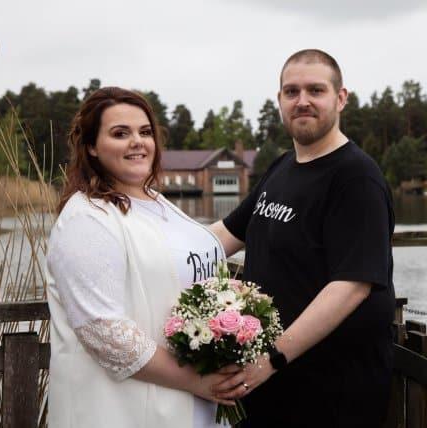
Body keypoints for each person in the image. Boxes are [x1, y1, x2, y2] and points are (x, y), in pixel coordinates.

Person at [210, 49, 396, 427]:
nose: (302, 101)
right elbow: (221, 236)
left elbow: (350, 287)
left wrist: (272, 358)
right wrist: (146, 241)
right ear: (279, 100)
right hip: (271, 389)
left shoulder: (356, 178)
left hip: (330, 396)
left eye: (316, 90)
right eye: (291, 91)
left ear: (340, 98)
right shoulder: (283, 166)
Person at [46, 87, 238, 427]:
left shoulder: (156, 202)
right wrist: (198, 381)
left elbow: (188, 259)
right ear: (91, 146)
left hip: (192, 404)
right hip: (128, 410)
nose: (137, 142)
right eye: (120, 133)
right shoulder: (87, 218)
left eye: (145, 132)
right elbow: (105, 332)